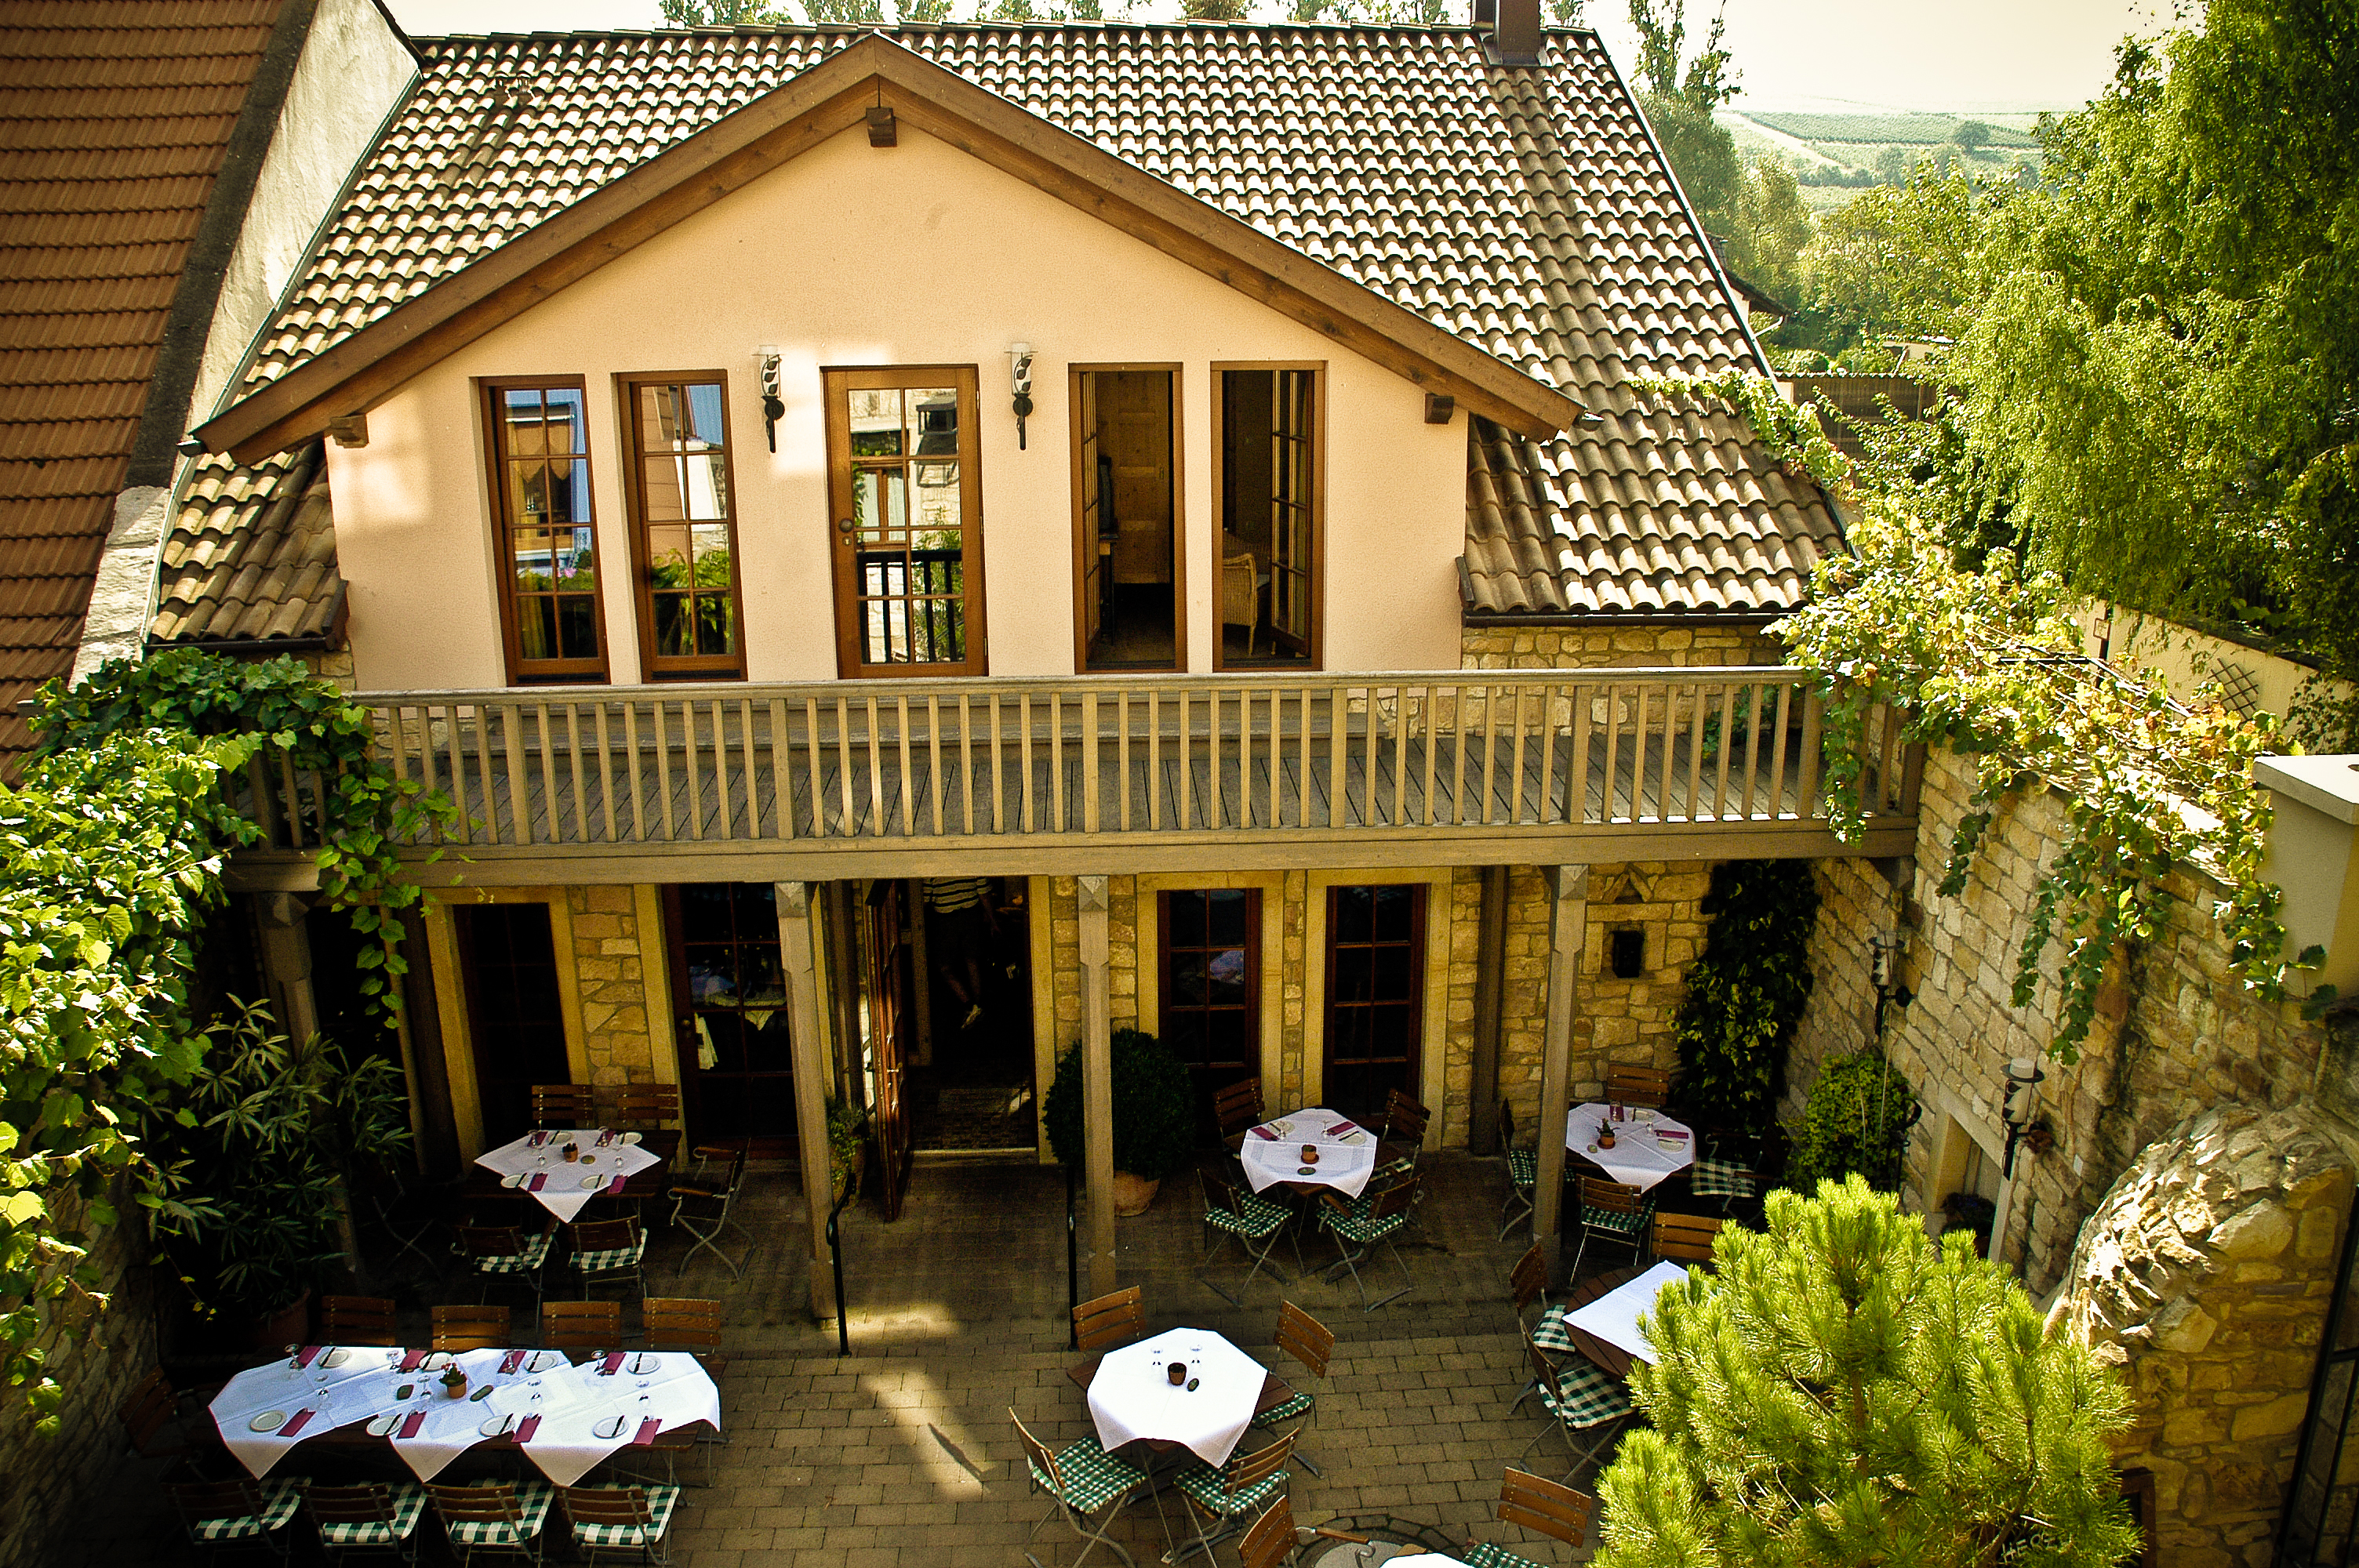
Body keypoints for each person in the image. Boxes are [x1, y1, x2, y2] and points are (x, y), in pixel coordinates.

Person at [921, 876, 996, 1029]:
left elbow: (924, 898)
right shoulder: (969, 856)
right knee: (972, 961)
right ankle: (978, 1005)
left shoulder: (930, 863)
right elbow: (983, 890)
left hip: (946, 919)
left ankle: (970, 1005)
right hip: (971, 914)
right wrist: (992, 919)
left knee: (944, 967)